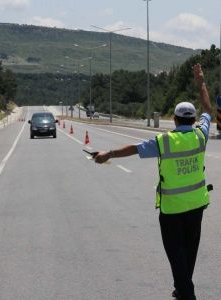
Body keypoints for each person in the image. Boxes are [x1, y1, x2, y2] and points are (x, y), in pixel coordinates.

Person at [94, 63, 213, 300]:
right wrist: (201, 83)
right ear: (192, 120)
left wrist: (109, 154)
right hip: (197, 206)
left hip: (172, 210)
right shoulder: (201, 134)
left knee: (177, 256)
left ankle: (187, 293)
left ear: (174, 119)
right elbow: (208, 109)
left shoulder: (164, 141)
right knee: (189, 253)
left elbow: (135, 149)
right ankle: (182, 289)